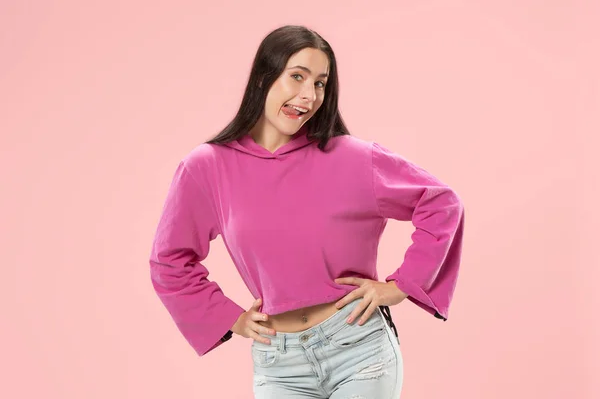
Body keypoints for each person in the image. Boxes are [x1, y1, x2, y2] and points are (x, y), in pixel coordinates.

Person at [149, 24, 465, 398]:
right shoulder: (207, 167)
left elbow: (441, 202)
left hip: (358, 347)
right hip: (279, 362)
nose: (308, 95)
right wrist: (228, 317)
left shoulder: (353, 157)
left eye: (320, 83)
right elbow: (169, 259)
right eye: (297, 76)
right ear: (263, 78)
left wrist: (401, 286)